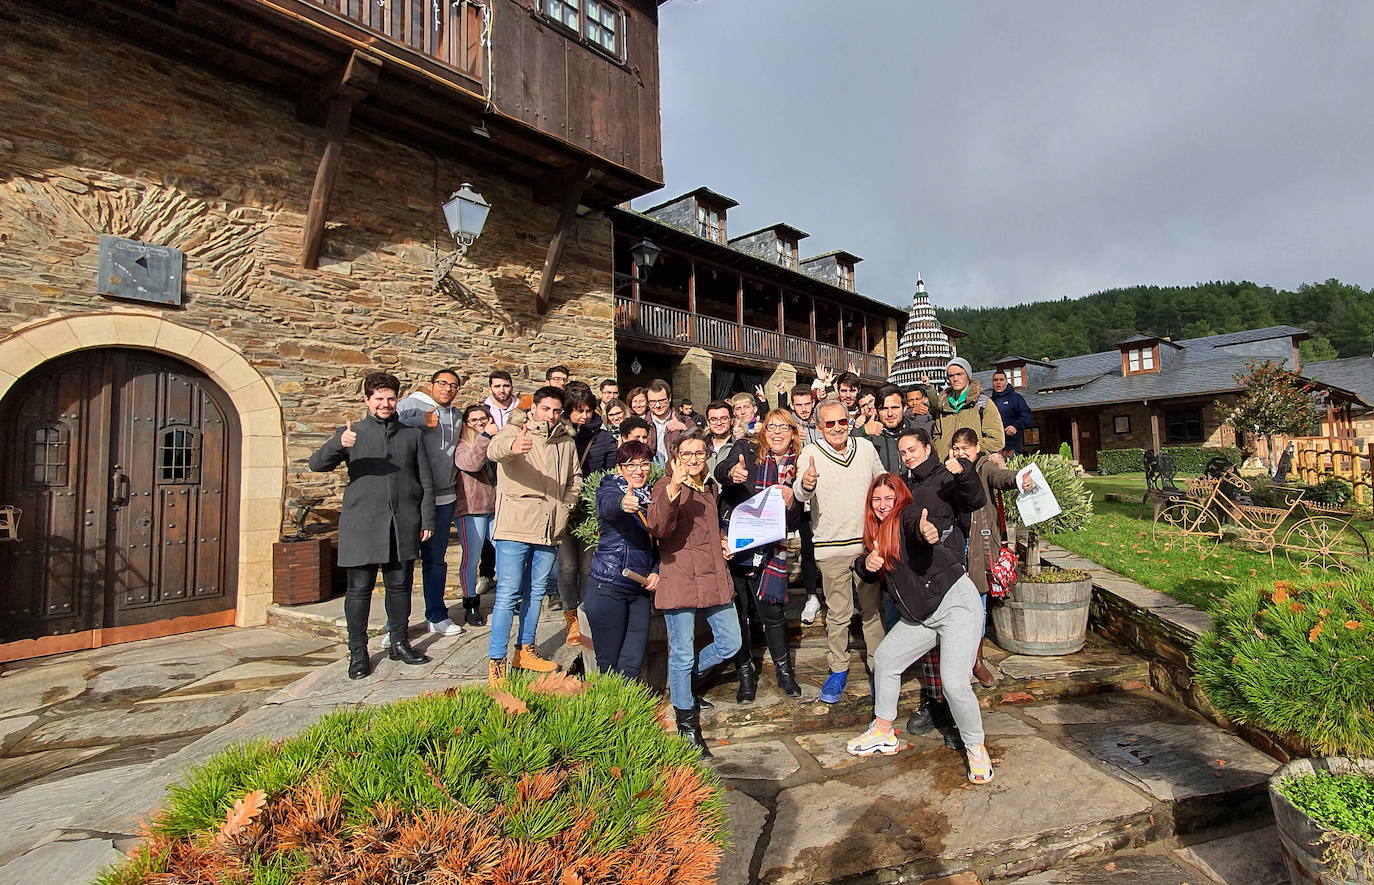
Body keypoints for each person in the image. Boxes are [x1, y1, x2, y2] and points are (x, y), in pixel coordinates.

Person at [847, 473, 994, 785]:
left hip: (955, 605)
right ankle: (884, 731)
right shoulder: (875, 534)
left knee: (953, 683)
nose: (883, 505)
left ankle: (976, 747)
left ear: (899, 499)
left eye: (889, 498)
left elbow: (916, 524)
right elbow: (865, 567)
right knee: (886, 659)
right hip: (922, 615)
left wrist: (925, 529)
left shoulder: (906, 518)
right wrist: (866, 565)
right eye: (877, 500)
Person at [309, 371, 434, 680]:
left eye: (391, 398)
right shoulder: (351, 433)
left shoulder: (412, 435)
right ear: (367, 400)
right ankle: (358, 651)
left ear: (397, 400)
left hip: (402, 523)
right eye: (378, 398)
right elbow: (316, 464)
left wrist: (427, 519)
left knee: (400, 587)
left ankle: (400, 642)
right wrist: (338, 443)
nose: (385, 404)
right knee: (359, 590)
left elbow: (426, 482)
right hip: (362, 524)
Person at [645, 429, 742, 757]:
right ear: (674, 457)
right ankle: (687, 725)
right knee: (682, 652)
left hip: (713, 574)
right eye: (686, 454)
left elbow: (707, 530)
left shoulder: (710, 487)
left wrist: (723, 541)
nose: (693, 460)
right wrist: (673, 484)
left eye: (699, 454)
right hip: (681, 576)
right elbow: (658, 527)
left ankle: (684, 683)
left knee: (731, 642)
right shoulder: (665, 486)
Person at [485, 386, 581, 683]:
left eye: (556, 411)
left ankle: (525, 649)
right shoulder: (515, 429)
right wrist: (514, 447)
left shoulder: (566, 440)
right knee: (508, 594)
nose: (550, 415)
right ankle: (497, 659)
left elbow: (574, 479)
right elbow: (494, 450)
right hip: (516, 525)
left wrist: (565, 507)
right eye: (545, 409)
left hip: (550, 528)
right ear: (534, 408)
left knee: (536, 593)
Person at [794, 399, 886, 703]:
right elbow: (799, 491)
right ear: (819, 427)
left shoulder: (866, 449)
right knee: (838, 613)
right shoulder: (810, 453)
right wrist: (806, 483)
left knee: (872, 610)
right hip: (830, 546)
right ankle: (838, 668)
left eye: (841, 422)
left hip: (866, 546)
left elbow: (882, 486)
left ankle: (878, 667)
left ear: (850, 422)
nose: (836, 428)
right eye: (829, 423)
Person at [897, 428, 987, 738]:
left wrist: (964, 471)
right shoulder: (907, 482)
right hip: (920, 572)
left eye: (913, 449)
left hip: (948, 570)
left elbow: (974, 499)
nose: (908, 456)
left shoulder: (946, 473)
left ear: (928, 447)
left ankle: (956, 715)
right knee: (930, 644)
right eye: (903, 452)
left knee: (952, 646)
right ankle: (937, 703)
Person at [715, 410, 805, 701]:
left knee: (773, 613)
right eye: (771, 427)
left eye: (783, 427)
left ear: (793, 432)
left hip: (772, 548)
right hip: (737, 543)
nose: (776, 433)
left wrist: (793, 501)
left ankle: (784, 672)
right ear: (763, 430)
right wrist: (732, 473)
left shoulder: (798, 466)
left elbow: (793, 522)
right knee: (740, 612)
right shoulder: (747, 449)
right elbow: (722, 470)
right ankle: (746, 676)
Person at [394, 368, 467, 640]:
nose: (448, 389)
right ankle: (396, 625)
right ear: (431, 384)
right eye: (443, 383)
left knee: (436, 562)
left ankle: (436, 615)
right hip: (412, 499)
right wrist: (421, 420)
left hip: (444, 497)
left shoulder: (457, 415)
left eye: (453, 385)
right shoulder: (410, 405)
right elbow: (390, 422)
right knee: (401, 564)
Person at [582, 441, 659, 678]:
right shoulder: (610, 488)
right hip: (608, 585)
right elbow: (608, 506)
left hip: (639, 588)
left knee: (632, 661)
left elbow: (656, 541)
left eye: (644, 464)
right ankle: (608, 712)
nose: (639, 470)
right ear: (620, 469)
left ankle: (628, 712)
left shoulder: (651, 496)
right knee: (609, 663)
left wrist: (655, 569)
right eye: (631, 465)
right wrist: (622, 503)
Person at [950, 427, 1018, 687]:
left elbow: (1001, 478)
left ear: (977, 448)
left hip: (978, 543)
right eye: (956, 448)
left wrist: (1020, 478)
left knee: (978, 596)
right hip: (955, 541)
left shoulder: (984, 467)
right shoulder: (950, 470)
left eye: (965, 448)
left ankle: (977, 659)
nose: (960, 453)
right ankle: (957, 654)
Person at [555, 387, 617, 646]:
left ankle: (587, 614)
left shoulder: (603, 438)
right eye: (578, 410)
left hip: (591, 508)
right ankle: (571, 618)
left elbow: (609, 471)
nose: (583, 415)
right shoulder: (558, 434)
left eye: (588, 410)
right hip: (564, 506)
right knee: (567, 566)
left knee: (588, 566)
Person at [785, 383, 825, 625]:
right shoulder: (789, 428)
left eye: (806, 404)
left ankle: (833, 596)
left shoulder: (823, 425)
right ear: (792, 405)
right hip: (801, 496)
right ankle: (812, 596)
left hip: (825, 494)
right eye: (798, 405)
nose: (803, 409)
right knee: (808, 549)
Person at [453, 404, 495, 627]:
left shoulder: (492, 441)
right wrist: (486, 435)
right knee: (471, 558)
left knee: (507, 552)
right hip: (471, 508)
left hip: (495, 508)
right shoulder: (461, 446)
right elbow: (471, 463)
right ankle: (470, 604)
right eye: (474, 420)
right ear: (466, 424)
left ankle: (512, 598)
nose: (479, 423)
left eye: (483, 419)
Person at [930, 358, 1004, 458]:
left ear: (968, 375)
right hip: (946, 466)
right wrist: (942, 453)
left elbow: (996, 440)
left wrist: (971, 452)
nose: (955, 379)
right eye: (951, 375)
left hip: (973, 467)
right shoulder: (943, 405)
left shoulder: (982, 403)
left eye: (959, 374)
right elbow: (937, 436)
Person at [860, 384, 911, 473]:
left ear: (904, 408)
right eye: (884, 409)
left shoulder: (916, 433)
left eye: (895, 408)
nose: (890, 413)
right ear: (876, 410)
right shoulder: (868, 437)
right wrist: (862, 431)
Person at [645, 379, 690, 466]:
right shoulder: (642, 424)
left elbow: (700, 443)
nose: (657, 405)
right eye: (653, 402)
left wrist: (684, 429)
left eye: (661, 400)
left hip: (677, 471)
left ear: (669, 398)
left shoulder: (685, 421)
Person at [988, 371, 1034, 456]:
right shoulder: (989, 401)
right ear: (992, 383)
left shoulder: (1016, 398)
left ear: (1006, 382)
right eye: (995, 380)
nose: (998, 382)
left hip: (1012, 446)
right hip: (993, 447)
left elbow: (1027, 417)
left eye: (1001, 380)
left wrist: (1015, 426)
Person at [703, 399, 737, 476]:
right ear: (708, 423)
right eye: (713, 419)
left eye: (724, 419)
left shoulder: (739, 446)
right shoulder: (701, 446)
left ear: (731, 420)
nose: (719, 423)